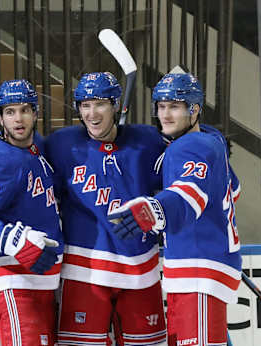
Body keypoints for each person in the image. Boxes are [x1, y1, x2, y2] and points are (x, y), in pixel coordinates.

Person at [108, 73, 242, 346]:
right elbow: (233, 190)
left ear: (194, 110)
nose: (165, 115)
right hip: (200, 270)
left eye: (175, 107)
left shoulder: (189, 146)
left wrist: (156, 209)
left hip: (199, 269)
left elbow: (188, 195)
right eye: (161, 106)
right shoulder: (209, 142)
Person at [45, 72, 167, 345]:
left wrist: (211, 140)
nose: (91, 113)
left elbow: (179, 182)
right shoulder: (62, 144)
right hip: (84, 270)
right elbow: (23, 163)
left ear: (115, 105)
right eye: (85, 105)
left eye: (99, 104)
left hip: (140, 267)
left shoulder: (147, 141)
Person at [0, 79, 63, 346]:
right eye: (10, 112)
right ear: (0, 118)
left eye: (25, 110)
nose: (18, 119)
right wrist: (13, 239)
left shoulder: (37, 148)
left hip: (40, 277)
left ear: (36, 113)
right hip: (10, 277)